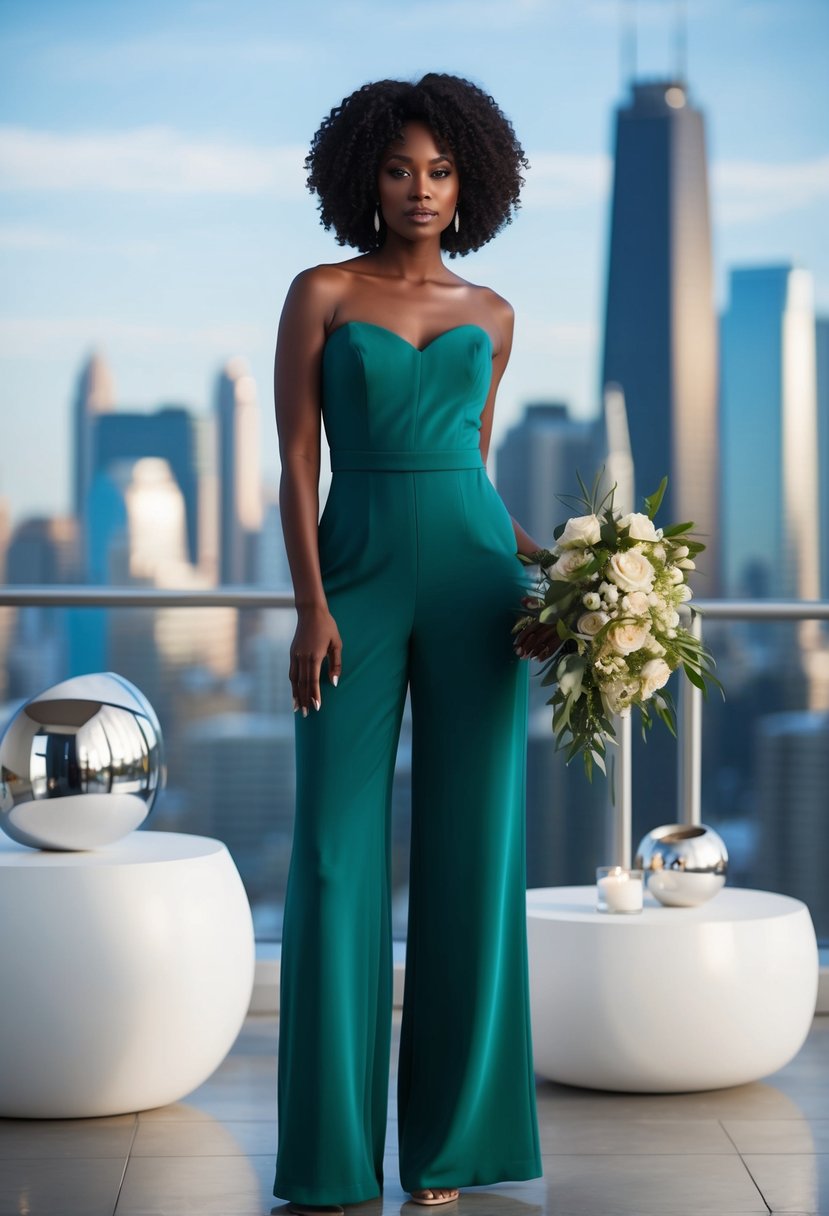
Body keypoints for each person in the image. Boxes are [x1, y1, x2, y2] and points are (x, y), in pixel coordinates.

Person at [272, 71, 558, 1215]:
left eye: (440, 171)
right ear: (363, 177)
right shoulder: (322, 293)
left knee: (472, 856)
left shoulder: (492, 316)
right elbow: (299, 459)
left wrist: (571, 575)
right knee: (336, 854)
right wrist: (309, 602)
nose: (420, 190)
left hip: (480, 586)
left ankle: (449, 1151)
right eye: (400, 169)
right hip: (352, 580)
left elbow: (473, 472)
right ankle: (334, 1160)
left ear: (471, 181)